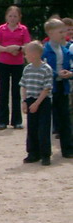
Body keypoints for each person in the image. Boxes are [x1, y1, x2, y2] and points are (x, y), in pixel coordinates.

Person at [0, 6, 31, 130]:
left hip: (18, 63)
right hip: (4, 62)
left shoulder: (23, 29)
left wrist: (18, 48)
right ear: (6, 17)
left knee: (16, 92)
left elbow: (27, 45)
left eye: (15, 16)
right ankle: (2, 121)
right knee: (4, 91)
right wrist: (7, 50)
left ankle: (16, 121)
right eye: (10, 16)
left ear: (19, 17)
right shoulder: (1, 29)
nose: (12, 18)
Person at [42, 18, 73, 158]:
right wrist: (55, 74)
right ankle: (45, 152)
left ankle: (68, 149)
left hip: (62, 87)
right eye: (60, 32)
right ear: (50, 33)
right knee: (47, 120)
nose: (63, 34)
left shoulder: (66, 50)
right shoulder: (44, 50)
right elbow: (41, 69)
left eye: (64, 31)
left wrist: (70, 74)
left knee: (65, 118)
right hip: (48, 89)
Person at [19, 41, 53, 165]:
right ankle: (33, 153)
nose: (25, 56)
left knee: (43, 128)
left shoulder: (46, 69)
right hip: (30, 99)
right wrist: (24, 101)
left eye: (26, 54)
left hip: (43, 101)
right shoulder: (27, 69)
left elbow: (47, 88)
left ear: (34, 54)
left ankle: (45, 154)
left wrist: (37, 103)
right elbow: (24, 85)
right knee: (32, 128)